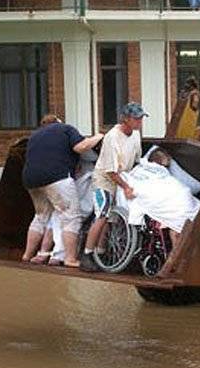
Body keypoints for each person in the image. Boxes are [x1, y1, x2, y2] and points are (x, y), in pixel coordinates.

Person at [20, 115, 104, 268]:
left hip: (30, 179)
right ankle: (70, 259)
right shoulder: (65, 129)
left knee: (40, 216)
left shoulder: (35, 135)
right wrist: (99, 136)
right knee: (71, 216)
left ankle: (27, 255)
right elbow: (81, 147)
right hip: (56, 176)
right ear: (58, 121)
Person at [80, 102, 149, 272]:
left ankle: (102, 252)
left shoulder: (135, 135)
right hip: (104, 178)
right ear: (125, 119)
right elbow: (110, 171)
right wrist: (126, 187)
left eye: (141, 118)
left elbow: (136, 160)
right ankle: (87, 254)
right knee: (102, 214)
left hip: (123, 175)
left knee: (113, 219)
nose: (140, 122)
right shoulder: (112, 137)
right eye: (136, 119)